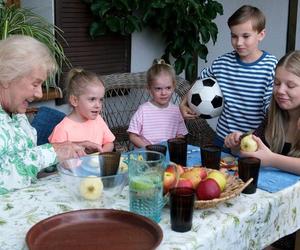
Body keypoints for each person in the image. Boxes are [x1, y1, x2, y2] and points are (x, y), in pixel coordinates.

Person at [0, 35, 101, 194]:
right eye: (35, 83)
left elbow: (27, 163)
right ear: (6, 77)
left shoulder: (17, 113)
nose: (40, 94)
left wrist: (69, 150)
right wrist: (52, 151)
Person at [180, 5, 278, 148]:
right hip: (222, 139)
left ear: (261, 35)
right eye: (234, 36)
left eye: (245, 36)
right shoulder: (222, 63)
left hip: (254, 142)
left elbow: (271, 113)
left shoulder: (271, 67)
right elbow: (199, 82)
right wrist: (183, 103)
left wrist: (248, 138)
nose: (238, 42)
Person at [225, 50, 300, 176]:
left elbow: (267, 158)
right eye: (276, 83)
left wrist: (272, 160)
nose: (280, 90)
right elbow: (255, 151)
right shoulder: (272, 116)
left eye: (291, 85)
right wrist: (237, 145)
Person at [49, 68, 115, 153]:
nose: (98, 105)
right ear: (75, 100)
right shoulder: (62, 129)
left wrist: (100, 155)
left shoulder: (98, 119)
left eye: (101, 100)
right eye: (92, 99)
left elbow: (109, 143)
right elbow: (57, 157)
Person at [127, 59, 188, 148]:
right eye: (158, 89)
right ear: (149, 89)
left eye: (168, 88)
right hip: (147, 154)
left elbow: (180, 134)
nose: (164, 93)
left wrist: (175, 145)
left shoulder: (176, 111)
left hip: (169, 154)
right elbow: (132, 136)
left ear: (174, 86)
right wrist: (150, 148)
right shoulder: (143, 110)